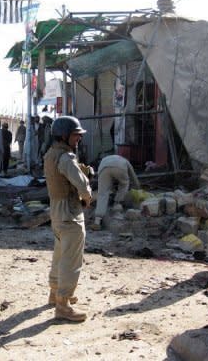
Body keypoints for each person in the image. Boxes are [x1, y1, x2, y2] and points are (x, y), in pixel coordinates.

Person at [44, 115, 93, 322]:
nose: (78, 139)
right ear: (63, 136)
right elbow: (82, 185)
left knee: (60, 254)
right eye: (75, 135)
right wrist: (88, 198)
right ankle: (63, 304)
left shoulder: (51, 154)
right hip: (70, 212)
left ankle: (55, 294)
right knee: (71, 259)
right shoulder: (66, 158)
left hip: (56, 211)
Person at [91, 154, 140, 231]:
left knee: (102, 193)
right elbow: (133, 176)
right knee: (124, 183)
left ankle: (97, 221)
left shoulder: (105, 158)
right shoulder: (125, 161)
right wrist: (138, 187)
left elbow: (101, 178)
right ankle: (117, 203)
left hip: (103, 168)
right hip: (120, 168)